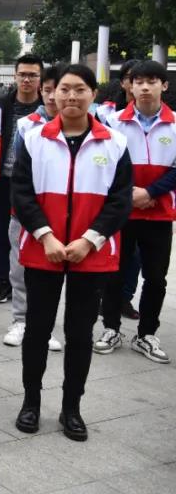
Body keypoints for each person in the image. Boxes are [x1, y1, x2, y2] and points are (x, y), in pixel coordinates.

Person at [12, 64, 132, 441]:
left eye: (79, 89)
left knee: (80, 334)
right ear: (53, 93)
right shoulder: (34, 138)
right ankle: (31, 401)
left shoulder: (114, 143)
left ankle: (71, 408)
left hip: (90, 254)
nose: (70, 96)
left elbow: (120, 201)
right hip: (43, 250)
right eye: (64, 89)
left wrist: (89, 240)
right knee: (37, 330)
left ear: (93, 94)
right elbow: (21, 193)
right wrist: (46, 236)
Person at [95, 59, 176, 364]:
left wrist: (151, 192)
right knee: (114, 273)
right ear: (129, 85)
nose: (144, 87)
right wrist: (130, 193)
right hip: (122, 213)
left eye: (151, 81)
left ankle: (146, 334)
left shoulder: (175, 123)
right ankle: (111, 328)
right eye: (138, 81)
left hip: (159, 213)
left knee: (156, 278)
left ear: (164, 85)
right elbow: (104, 162)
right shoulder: (114, 122)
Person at [2, 64, 65, 352]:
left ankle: (44, 326)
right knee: (19, 268)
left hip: (61, 212)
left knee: (51, 272)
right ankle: (19, 320)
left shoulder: (77, 125)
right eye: (48, 90)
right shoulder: (27, 125)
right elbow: (19, 172)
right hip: (26, 211)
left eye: (57, 90)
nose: (52, 97)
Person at [0, 54, 44, 304]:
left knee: (35, 232)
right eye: (22, 74)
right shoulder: (2, 103)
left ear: (40, 79)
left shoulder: (46, 107)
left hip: (36, 183)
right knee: (3, 233)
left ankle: (30, 280)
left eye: (32, 75)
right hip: (4, 180)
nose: (27, 79)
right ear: (15, 76)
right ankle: (4, 281)